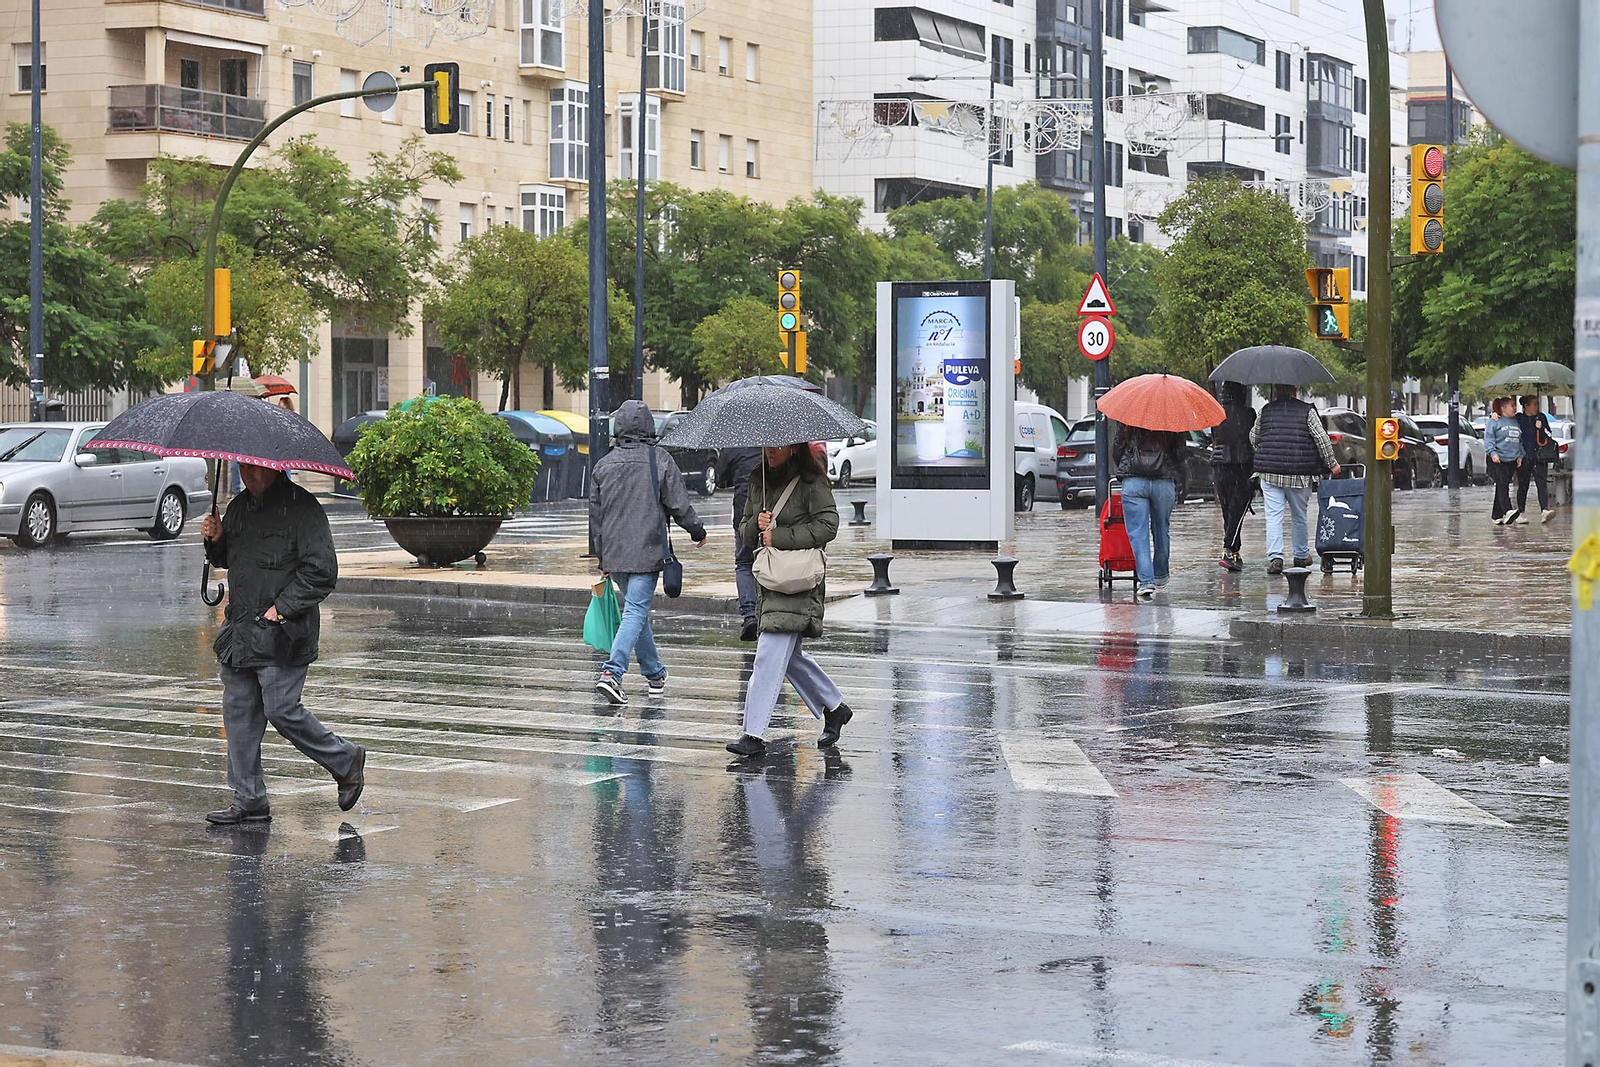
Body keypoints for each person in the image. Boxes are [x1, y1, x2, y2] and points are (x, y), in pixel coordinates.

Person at [200, 463, 364, 825]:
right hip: (240, 632)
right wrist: (216, 540)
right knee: (238, 716)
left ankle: (345, 759)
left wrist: (281, 608)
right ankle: (249, 798)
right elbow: (231, 558)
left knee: (281, 710)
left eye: (257, 468)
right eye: (244, 467)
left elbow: (322, 571)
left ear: (275, 467)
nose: (249, 474)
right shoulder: (240, 507)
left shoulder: (303, 508)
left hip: (282, 632)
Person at [726, 443, 851, 757]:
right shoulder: (759, 479)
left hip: (798, 581)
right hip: (769, 580)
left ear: (794, 448)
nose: (770, 452)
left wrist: (779, 535)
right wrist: (755, 526)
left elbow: (828, 525)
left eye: (778, 447)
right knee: (790, 658)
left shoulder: (812, 481)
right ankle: (834, 707)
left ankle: (753, 733)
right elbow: (743, 529)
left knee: (769, 655)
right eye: (767, 446)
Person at [590, 400, 708, 705]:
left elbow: (596, 516)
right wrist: (697, 531)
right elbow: (679, 504)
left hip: (615, 555)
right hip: (646, 550)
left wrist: (600, 556)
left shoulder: (603, 465)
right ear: (648, 428)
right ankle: (611, 673)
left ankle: (655, 673)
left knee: (635, 612)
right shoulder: (659, 460)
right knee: (635, 612)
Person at [1249, 384, 1340, 575]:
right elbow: (1321, 439)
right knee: (1299, 516)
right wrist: (1331, 463)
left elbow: (1253, 438)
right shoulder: (1307, 411)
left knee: (1273, 517)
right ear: (1295, 391)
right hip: (1299, 473)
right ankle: (1300, 555)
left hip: (1270, 472)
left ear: (1274, 391)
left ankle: (1275, 557)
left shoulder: (1265, 411)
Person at [1114, 423, 1185, 601]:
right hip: (1163, 481)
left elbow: (1116, 451)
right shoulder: (1170, 419)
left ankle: (1146, 581)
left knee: (1138, 534)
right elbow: (1181, 454)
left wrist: (1131, 465)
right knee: (1161, 529)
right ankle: (1160, 574)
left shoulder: (1129, 418)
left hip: (1134, 481)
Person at [717, 446, 764, 641]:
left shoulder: (733, 446)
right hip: (772, 511)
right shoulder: (774, 443)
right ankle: (768, 612)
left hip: (744, 512)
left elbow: (720, 480)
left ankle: (750, 613)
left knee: (744, 563)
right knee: (771, 561)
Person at [1210, 382, 1256, 572]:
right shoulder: (1249, 414)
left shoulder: (1217, 413)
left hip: (1221, 466)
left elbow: (1215, 435)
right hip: (1243, 465)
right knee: (1238, 510)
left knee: (1228, 510)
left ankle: (1234, 550)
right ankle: (1229, 548)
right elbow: (1254, 437)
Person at [1514, 395, 1556, 524]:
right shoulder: (1519, 418)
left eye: (1537, 404)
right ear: (1526, 406)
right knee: (1523, 485)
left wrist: (1541, 428)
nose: (1536, 407)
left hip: (1539, 456)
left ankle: (1544, 510)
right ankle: (1521, 512)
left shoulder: (1541, 417)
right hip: (1524, 456)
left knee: (1541, 483)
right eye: (1534, 404)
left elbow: (1549, 434)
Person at [1484, 396, 1525, 524]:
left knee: (1503, 485)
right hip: (1497, 459)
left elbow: (1520, 440)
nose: (1515, 408)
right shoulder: (1495, 421)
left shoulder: (1516, 421)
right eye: (1512, 405)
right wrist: (1492, 453)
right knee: (1502, 484)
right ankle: (1508, 510)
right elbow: (1489, 438)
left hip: (1512, 459)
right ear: (1503, 408)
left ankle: (1496, 516)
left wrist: (1520, 455)